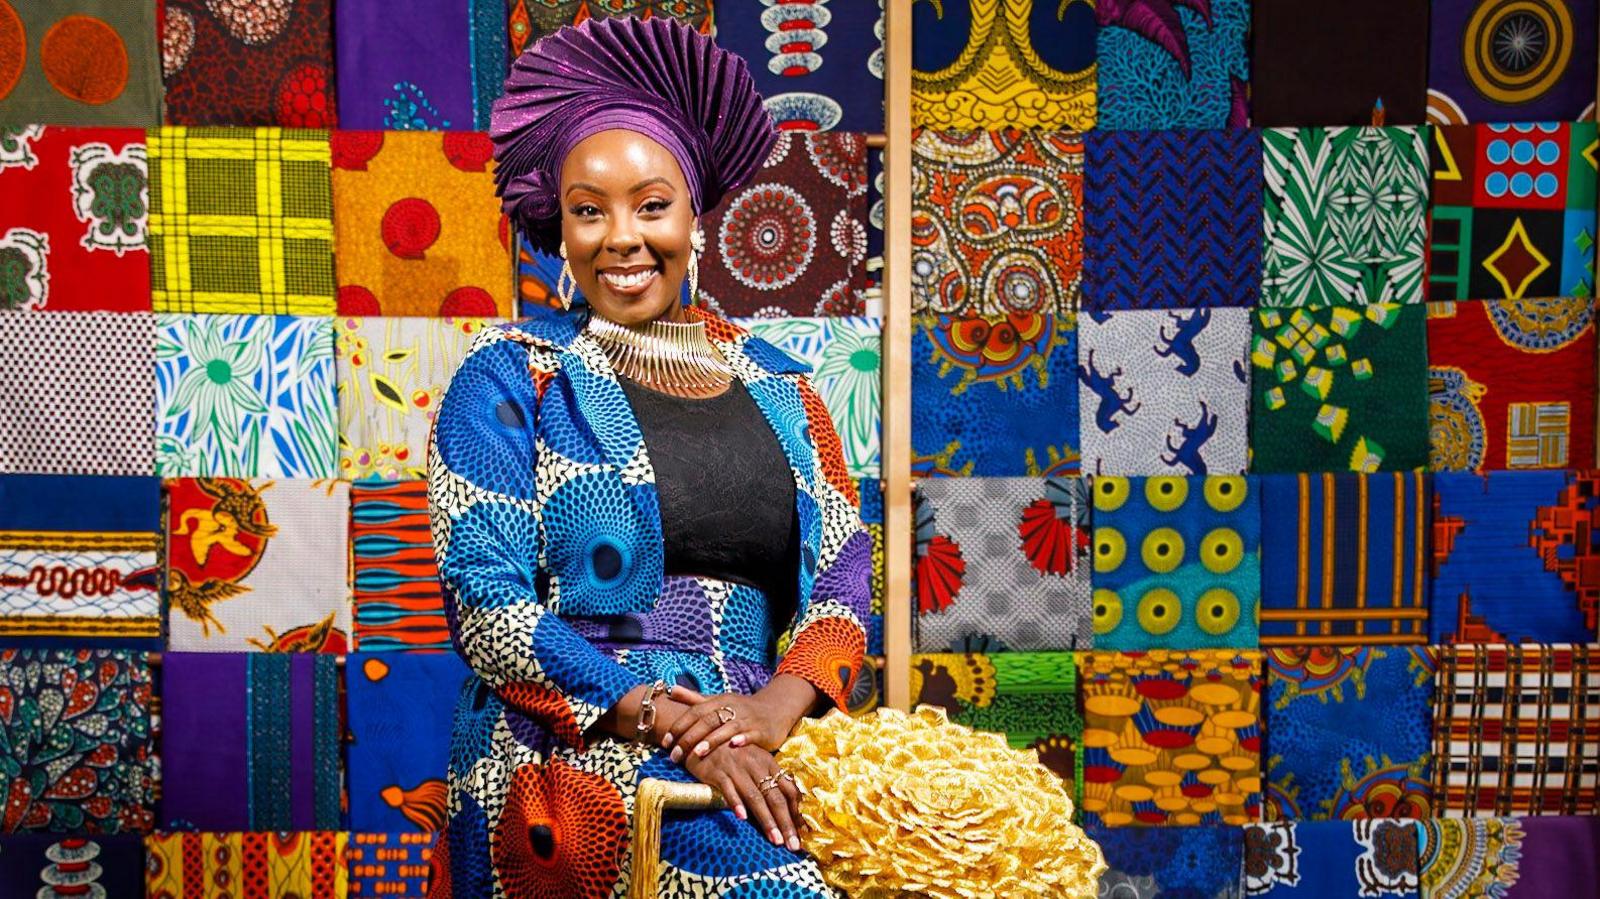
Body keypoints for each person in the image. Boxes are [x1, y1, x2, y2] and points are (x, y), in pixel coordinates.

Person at [425, 17, 871, 898]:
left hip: (763, 740)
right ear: (561, 229)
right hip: (572, 745)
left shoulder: (783, 386)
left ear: (695, 216)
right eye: (589, 211)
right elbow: (487, 608)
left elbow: (847, 576)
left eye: (651, 205)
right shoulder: (511, 378)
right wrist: (672, 721)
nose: (620, 237)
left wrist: (769, 716)